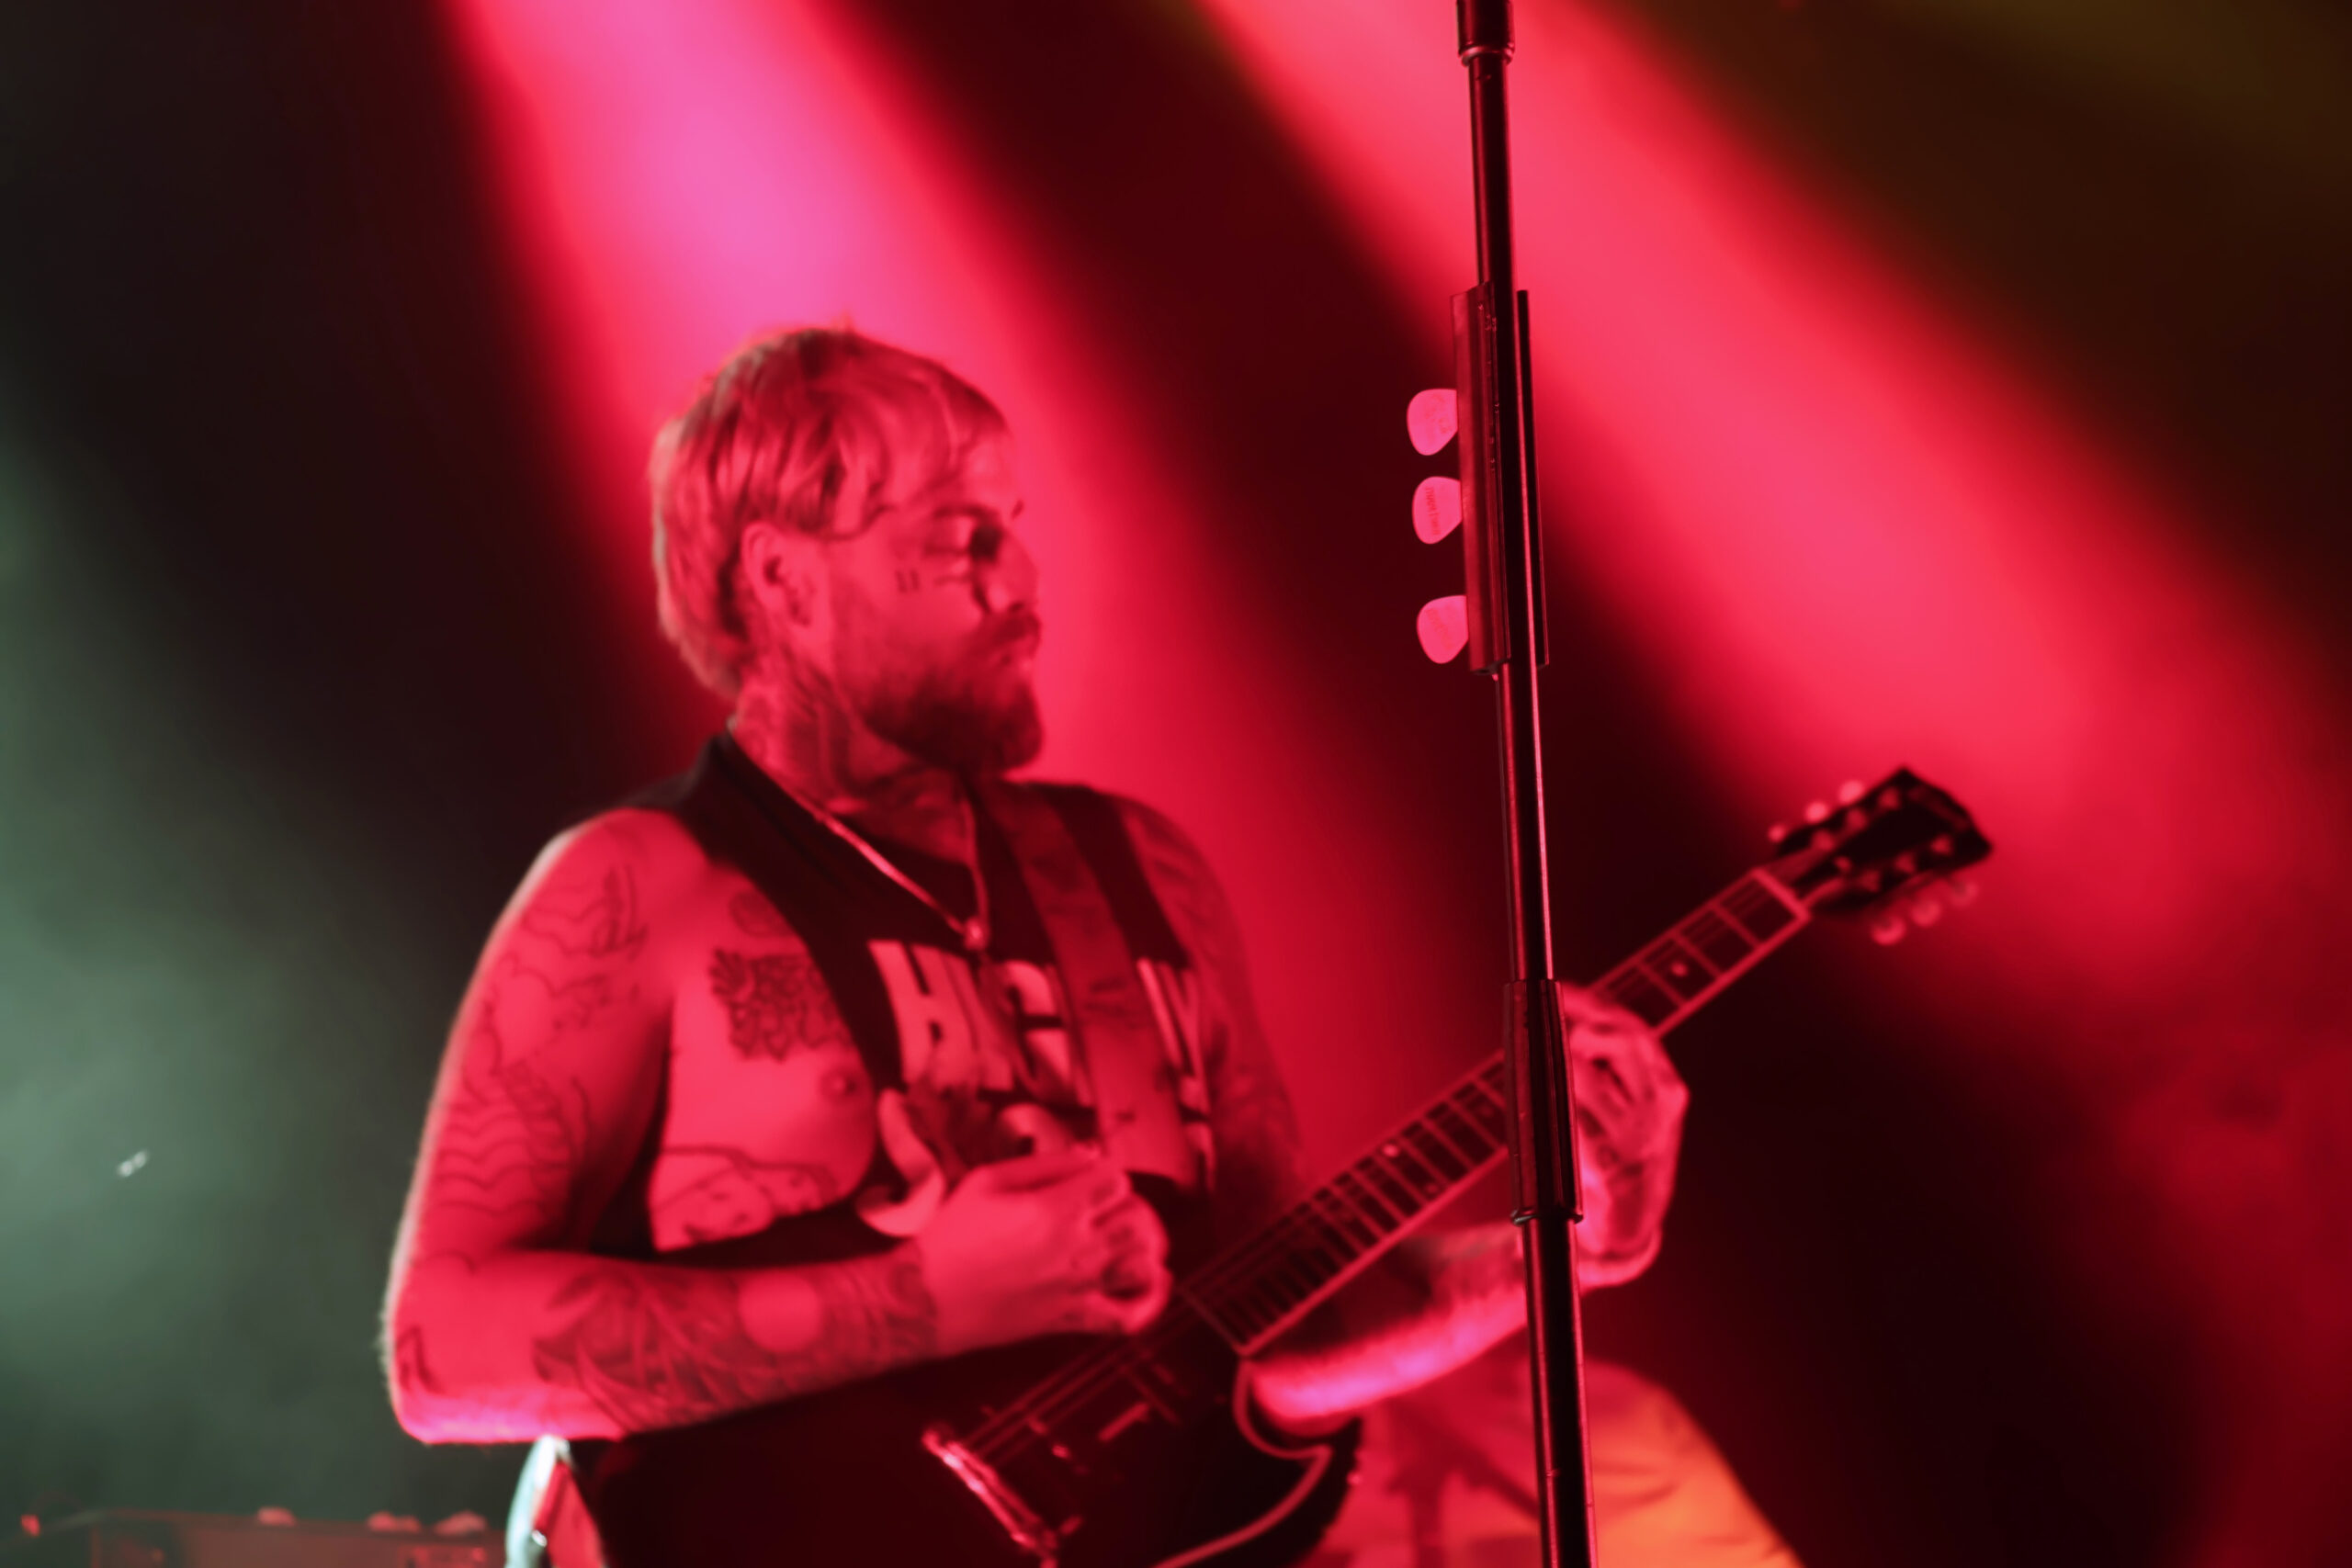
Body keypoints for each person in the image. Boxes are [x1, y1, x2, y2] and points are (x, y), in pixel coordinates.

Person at [379, 328, 1736, 1565]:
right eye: (961, 540)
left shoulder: (1144, 876)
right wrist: (919, 1301)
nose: (1022, 585)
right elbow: (442, 1359)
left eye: (1015, 532)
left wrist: (1570, 1250)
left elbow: (1280, 1330)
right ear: (784, 580)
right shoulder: (641, 891)